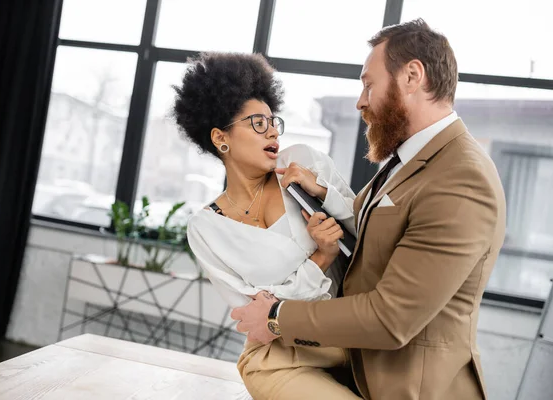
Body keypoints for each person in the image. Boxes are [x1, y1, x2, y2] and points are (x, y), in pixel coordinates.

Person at [231, 18, 506, 400]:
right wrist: (321, 192)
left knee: (266, 349)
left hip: (407, 383)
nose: (361, 100)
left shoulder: (462, 179)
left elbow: (392, 317)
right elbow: (376, 227)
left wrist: (278, 316)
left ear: (412, 76)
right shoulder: (411, 158)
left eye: (368, 83)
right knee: (261, 355)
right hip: (367, 357)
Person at [174, 52, 360, 399]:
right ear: (220, 137)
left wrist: (322, 191)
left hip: (355, 342)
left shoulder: (303, 163)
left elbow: (368, 230)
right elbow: (257, 317)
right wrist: (321, 257)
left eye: (274, 121)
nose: (272, 130)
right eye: (258, 122)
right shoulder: (206, 228)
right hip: (278, 358)